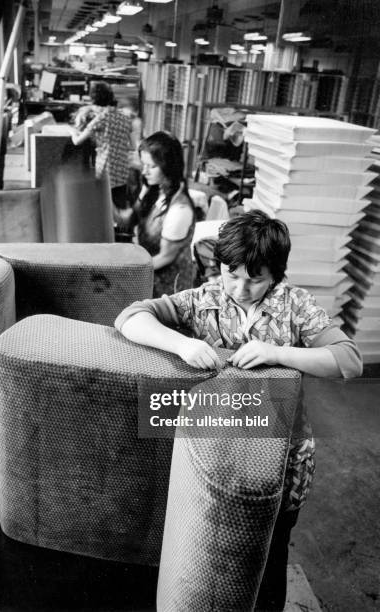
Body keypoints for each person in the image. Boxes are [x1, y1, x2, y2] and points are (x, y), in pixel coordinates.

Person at [114, 210, 363, 611]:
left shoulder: (295, 306)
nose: (240, 288)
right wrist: (181, 345)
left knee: (271, 552)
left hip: (282, 459)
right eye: (232, 273)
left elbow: (349, 360)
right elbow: (130, 316)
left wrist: (277, 352)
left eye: (255, 277)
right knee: (212, 548)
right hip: (218, 449)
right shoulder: (206, 298)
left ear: (277, 274)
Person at [122, 131, 196, 297]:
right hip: (149, 275)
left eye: (152, 166)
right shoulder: (155, 191)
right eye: (144, 165)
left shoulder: (179, 210)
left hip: (168, 289)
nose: (144, 172)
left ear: (168, 167)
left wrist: (127, 271)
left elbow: (165, 257)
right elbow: (129, 219)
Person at [70, 81, 132, 210]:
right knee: (119, 208)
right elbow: (129, 143)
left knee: (102, 209)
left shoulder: (101, 118)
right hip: (122, 170)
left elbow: (77, 141)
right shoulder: (125, 117)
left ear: (94, 100)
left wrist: (71, 130)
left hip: (105, 169)